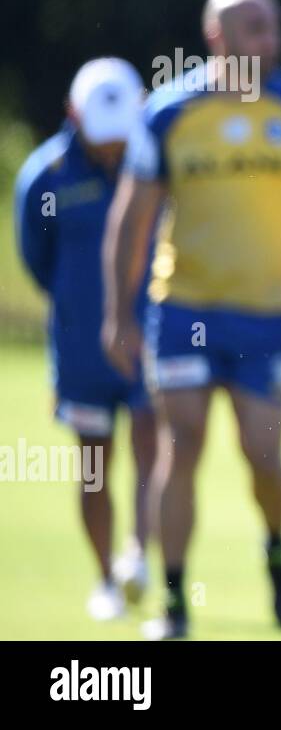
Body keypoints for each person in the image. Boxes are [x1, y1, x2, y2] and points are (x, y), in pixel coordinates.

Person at [101, 0, 281, 639]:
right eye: (254, 29)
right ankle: (176, 600)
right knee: (180, 446)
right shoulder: (169, 110)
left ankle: (274, 548)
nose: (269, 41)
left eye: (273, 28)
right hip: (183, 307)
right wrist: (118, 314)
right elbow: (131, 219)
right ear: (217, 37)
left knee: (262, 458)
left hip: (267, 316)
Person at [14, 58, 157, 621]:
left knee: (154, 445)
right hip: (81, 347)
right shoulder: (45, 175)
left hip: (150, 335)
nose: (111, 149)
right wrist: (80, 307)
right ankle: (104, 579)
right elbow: (35, 256)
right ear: (73, 114)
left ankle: (139, 555)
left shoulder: (153, 160)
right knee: (93, 463)